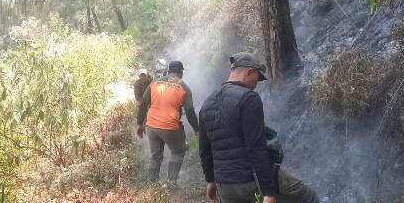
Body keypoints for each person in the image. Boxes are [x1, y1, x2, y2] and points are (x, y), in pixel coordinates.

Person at [199, 52, 320, 203]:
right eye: (257, 77)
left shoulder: (207, 103)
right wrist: (269, 191)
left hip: (224, 186)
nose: (257, 83)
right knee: (308, 197)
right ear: (249, 72)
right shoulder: (249, 98)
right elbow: (256, 147)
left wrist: (210, 180)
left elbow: (204, 149)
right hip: (250, 181)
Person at [136, 61, 199, 183]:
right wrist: (197, 129)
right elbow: (190, 112)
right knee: (178, 151)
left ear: (168, 71)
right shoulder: (184, 87)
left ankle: (152, 183)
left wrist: (139, 124)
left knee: (155, 156)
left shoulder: (154, 83)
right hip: (170, 128)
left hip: (151, 126)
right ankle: (171, 182)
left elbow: (143, 105)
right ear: (181, 72)